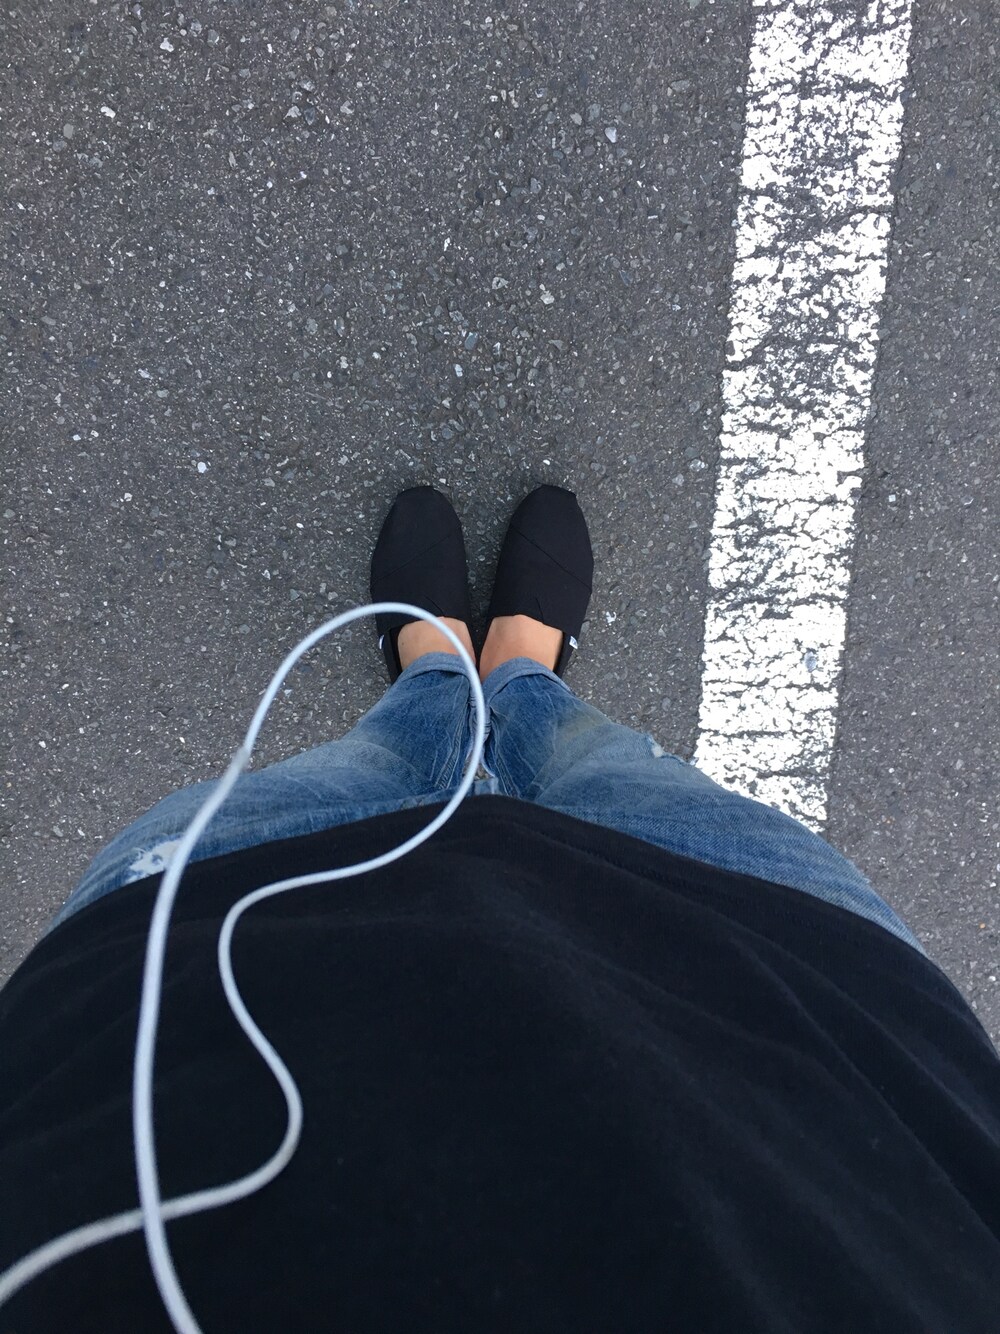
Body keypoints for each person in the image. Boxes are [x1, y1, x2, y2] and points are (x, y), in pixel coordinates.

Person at [1, 484, 998, 1333]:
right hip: (785, 970)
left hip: (202, 939)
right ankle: (522, 675)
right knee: (598, 763)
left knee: (381, 763)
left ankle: (437, 675)